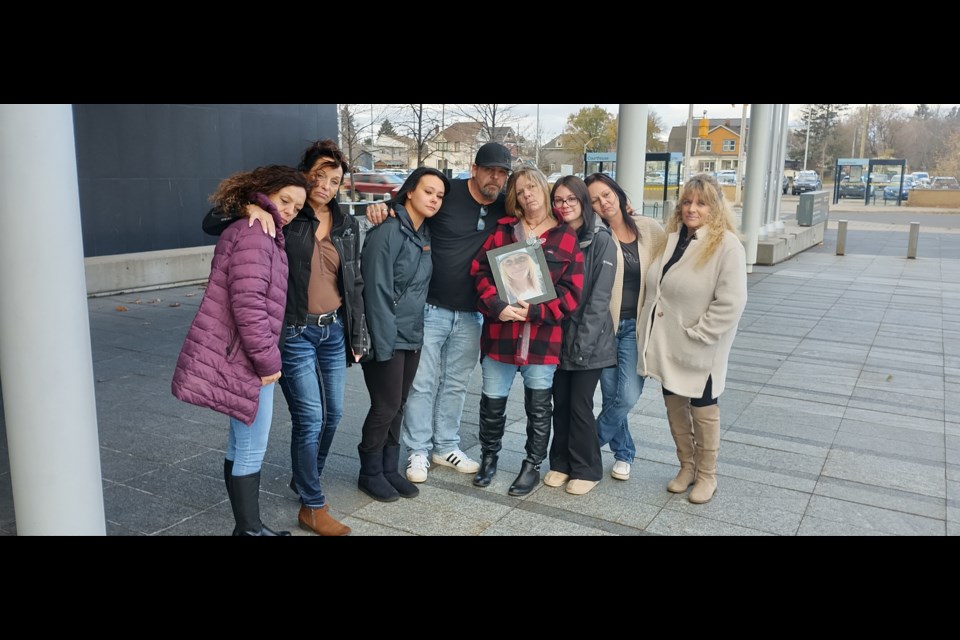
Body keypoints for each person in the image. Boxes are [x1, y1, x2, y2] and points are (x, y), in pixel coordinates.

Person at [202, 139, 368, 537]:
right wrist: (250, 206)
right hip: (294, 332)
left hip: (334, 330)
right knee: (309, 417)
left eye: (335, 180)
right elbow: (212, 220)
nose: (326, 186)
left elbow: (354, 280)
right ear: (304, 175)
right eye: (319, 177)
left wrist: (358, 334)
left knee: (335, 416)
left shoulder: (346, 223)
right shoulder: (282, 215)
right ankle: (313, 503)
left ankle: (306, 476)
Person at [173, 165, 308, 536]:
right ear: (264, 192)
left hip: (243, 354)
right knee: (251, 444)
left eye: (297, 207)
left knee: (241, 439)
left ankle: (246, 527)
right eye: (285, 200)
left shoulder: (259, 228)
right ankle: (249, 530)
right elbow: (248, 305)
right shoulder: (257, 232)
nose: (290, 210)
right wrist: (267, 361)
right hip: (249, 358)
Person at [365, 143, 511, 484]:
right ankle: (417, 449)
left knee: (457, 384)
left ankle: (445, 445)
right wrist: (380, 208)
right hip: (430, 307)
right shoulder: (447, 193)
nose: (496, 177)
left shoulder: (506, 204)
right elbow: (404, 206)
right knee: (421, 383)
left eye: (502, 172)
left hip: (472, 312)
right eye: (490, 169)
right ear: (474, 169)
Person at [470, 167, 583, 496]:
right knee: (492, 402)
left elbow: (572, 294)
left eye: (532, 187)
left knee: (538, 407)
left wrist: (536, 311)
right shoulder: (503, 232)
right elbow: (478, 273)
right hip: (500, 336)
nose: (527, 195)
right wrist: (494, 305)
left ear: (544, 189)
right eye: (519, 191)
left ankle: (531, 465)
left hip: (542, 341)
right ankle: (488, 458)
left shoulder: (565, 237)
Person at [637, 173, 747, 504]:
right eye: (687, 201)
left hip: (701, 347)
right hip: (669, 344)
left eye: (700, 203)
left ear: (715, 208)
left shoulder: (727, 245)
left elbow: (732, 301)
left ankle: (707, 475)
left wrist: (701, 334)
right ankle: (686, 467)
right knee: (675, 406)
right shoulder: (673, 239)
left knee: (703, 408)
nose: (691, 209)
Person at [358, 167, 449, 501]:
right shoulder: (388, 231)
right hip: (386, 336)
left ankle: (387, 468)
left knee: (399, 405)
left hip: (412, 334)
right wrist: (383, 345)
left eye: (439, 195)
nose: (434, 200)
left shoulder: (423, 233)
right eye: (428, 192)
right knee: (385, 406)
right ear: (409, 191)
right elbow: (376, 292)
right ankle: (368, 472)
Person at [585, 173, 666, 482]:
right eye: (594, 199)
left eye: (606, 194)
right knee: (610, 395)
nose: (602, 202)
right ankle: (624, 453)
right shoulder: (595, 235)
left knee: (627, 396)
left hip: (636, 327)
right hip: (606, 327)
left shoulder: (649, 228)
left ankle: (585, 444)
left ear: (617, 193)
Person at [543, 175, 617, 496]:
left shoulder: (600, 239)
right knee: (559, 403)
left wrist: (583, 344)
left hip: (591, 340)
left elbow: (599, 299)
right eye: (558, 200)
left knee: (579, 406)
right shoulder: (553, 238)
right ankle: (560, 463)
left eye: (571, 199)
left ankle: (587, 467)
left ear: (582, 202)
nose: (564, 206)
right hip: (557, 337)